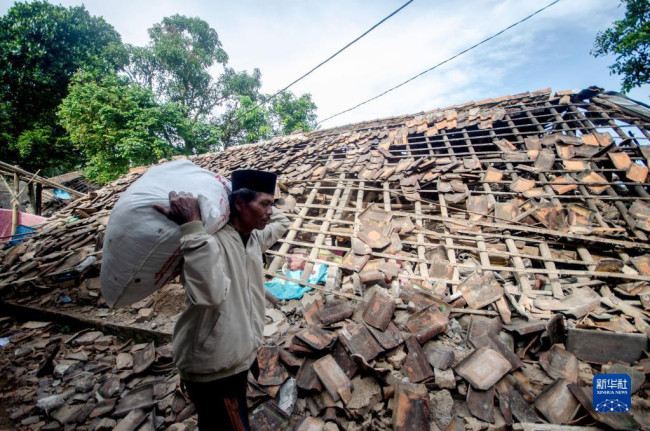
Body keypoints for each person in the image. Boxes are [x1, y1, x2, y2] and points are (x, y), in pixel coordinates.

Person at [153, 169, 290, 431]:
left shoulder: (253, 238)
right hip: (213, 367)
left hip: (236, 359)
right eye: (264, 204)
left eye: (271, 204)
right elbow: (211, 295)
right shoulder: (209, 241)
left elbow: (282, 222)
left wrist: (261, 197)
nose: (270, 211)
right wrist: (192, 226)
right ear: (238, 203)